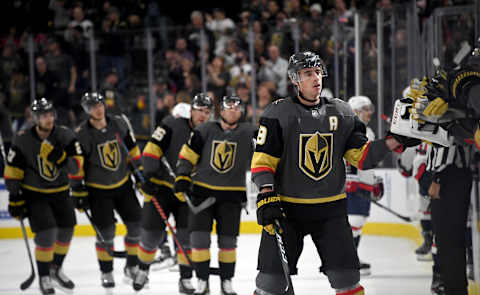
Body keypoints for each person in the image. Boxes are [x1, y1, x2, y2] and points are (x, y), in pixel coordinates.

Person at [250, 51, 418, 295]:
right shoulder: (278, 113)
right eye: (308, 73)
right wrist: (266, 192)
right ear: (296, 79)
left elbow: (362, 156)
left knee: (347, 278)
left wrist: (393, 141)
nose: (316, 78)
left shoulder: (342, 112)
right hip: (287, 210)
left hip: (331, 210)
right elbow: (264, 159)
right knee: (270, 282)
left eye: (318, 72)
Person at [409, 48, 480, 295]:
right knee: (449, 238)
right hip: (451, 174)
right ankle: (451, 284)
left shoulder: (456, 97)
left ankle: (453, 287)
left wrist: (436, 177)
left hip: (450, 176)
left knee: (449, 238)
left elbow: (445, 141)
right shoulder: (455, 94)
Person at [174, 95, 257, 295]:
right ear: (221, 111)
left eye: (237, 108)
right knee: (199, 241)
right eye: (228, 107)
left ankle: (226, 281)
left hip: (232, 196)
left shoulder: (250, 131)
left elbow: (269, 150)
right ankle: (202, 281)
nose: (233, 111)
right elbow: (186, 156)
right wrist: (182, 177)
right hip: (202, 194)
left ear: (241, 111)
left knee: (228, 243)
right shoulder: (203, 130)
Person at [133, 93, 213, 293]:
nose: (202, 115)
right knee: (150, 236)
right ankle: (142, 269)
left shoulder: (212, 133)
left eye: (207, 111)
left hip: (188, 193)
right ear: (191, 111)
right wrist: (149, 176)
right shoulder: (172, 124)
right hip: (161, 188)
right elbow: (151, 150)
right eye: (199, 110)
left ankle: (185, 279)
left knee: (186, 239)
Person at [5, 98, 84, 294]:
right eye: (43, 116)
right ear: (35, 118)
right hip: (36, 195)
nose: (48, 119)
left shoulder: (65, 135)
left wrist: (61, 157)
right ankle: (44, 276)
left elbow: (77, 166)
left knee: (67, 230)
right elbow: (13, 170)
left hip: (61, 192)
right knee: (47, 234)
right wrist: (15, 196)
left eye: (50, 114)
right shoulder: (23, 139)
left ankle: (55, 268)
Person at [73, 92, 143, 290]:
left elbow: (133, 150)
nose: (99, 108)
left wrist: (140, 175)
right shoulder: (82, 134)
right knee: (106, 233)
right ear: (87, 111)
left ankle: (131, 266)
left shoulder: (119, 123)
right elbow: (77, 164)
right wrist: (78, 190)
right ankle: (106, 271)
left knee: (137, 225)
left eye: (100, 104)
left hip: (123, 185)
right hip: (98, 191)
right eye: (93, 106)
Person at [345, 95, 384, 276]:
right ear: (355, 112)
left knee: (358, 223)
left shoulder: (367, 131)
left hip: (363, 182)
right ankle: (348, 262)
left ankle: (351, 260)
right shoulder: (353, 131)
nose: (369, 113)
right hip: (354, 184)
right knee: (354, 221)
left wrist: (373, 179)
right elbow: (348, 159)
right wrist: (350, 179)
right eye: (365, 109)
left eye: (370, 109)